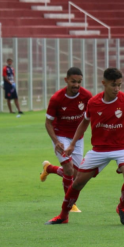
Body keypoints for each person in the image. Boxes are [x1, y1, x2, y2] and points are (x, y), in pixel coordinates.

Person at [45, 68, 124, 225]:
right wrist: (72, 145)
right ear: (104, 83)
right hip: (99, 149)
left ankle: (122, 208)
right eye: (113, 85)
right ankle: (63, 215)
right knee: (77, 182)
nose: (116, 89)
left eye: (119, 85)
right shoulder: (93, 103)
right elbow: (84, 124)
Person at [40, 67, 93, 213]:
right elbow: (48, 123)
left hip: (77, 138)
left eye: (79, 82)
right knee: (69, 169)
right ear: (66, 80)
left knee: (75, 175)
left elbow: (92, 115)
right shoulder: (57, 98)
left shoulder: (86, 96)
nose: (76, 85)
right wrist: (56, 141)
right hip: (60, 137)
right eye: (73, 81)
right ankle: (70, 204)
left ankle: (50, 168)